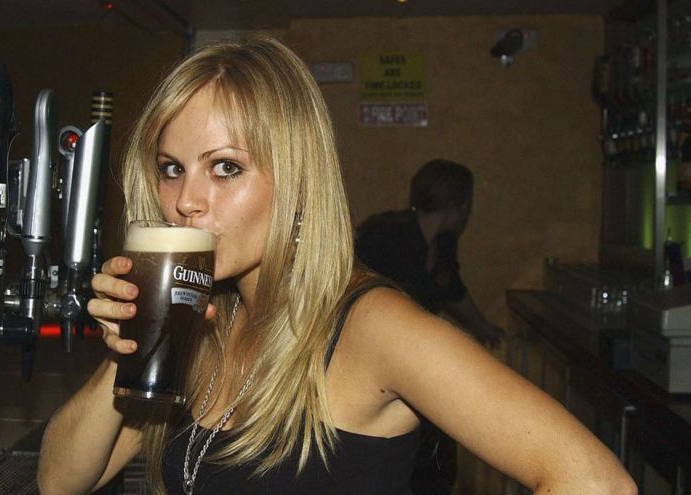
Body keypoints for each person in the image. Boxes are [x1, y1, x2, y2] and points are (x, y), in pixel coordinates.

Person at [36, 35, 637, 495]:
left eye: (225, 167)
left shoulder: (371, 327)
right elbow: (60, 481)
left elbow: (595, 482)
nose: (186, 200)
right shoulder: (202, 322)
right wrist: (130, 345)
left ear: (298, 184)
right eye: (172, 168)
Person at [355, 160, 503, 495]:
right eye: (468, 204)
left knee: (437, 460)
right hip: (376, 365)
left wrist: (483, 328)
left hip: (418, 362)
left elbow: (451, 290)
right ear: (457, 204)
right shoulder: (384, 236)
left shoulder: (443, 244)